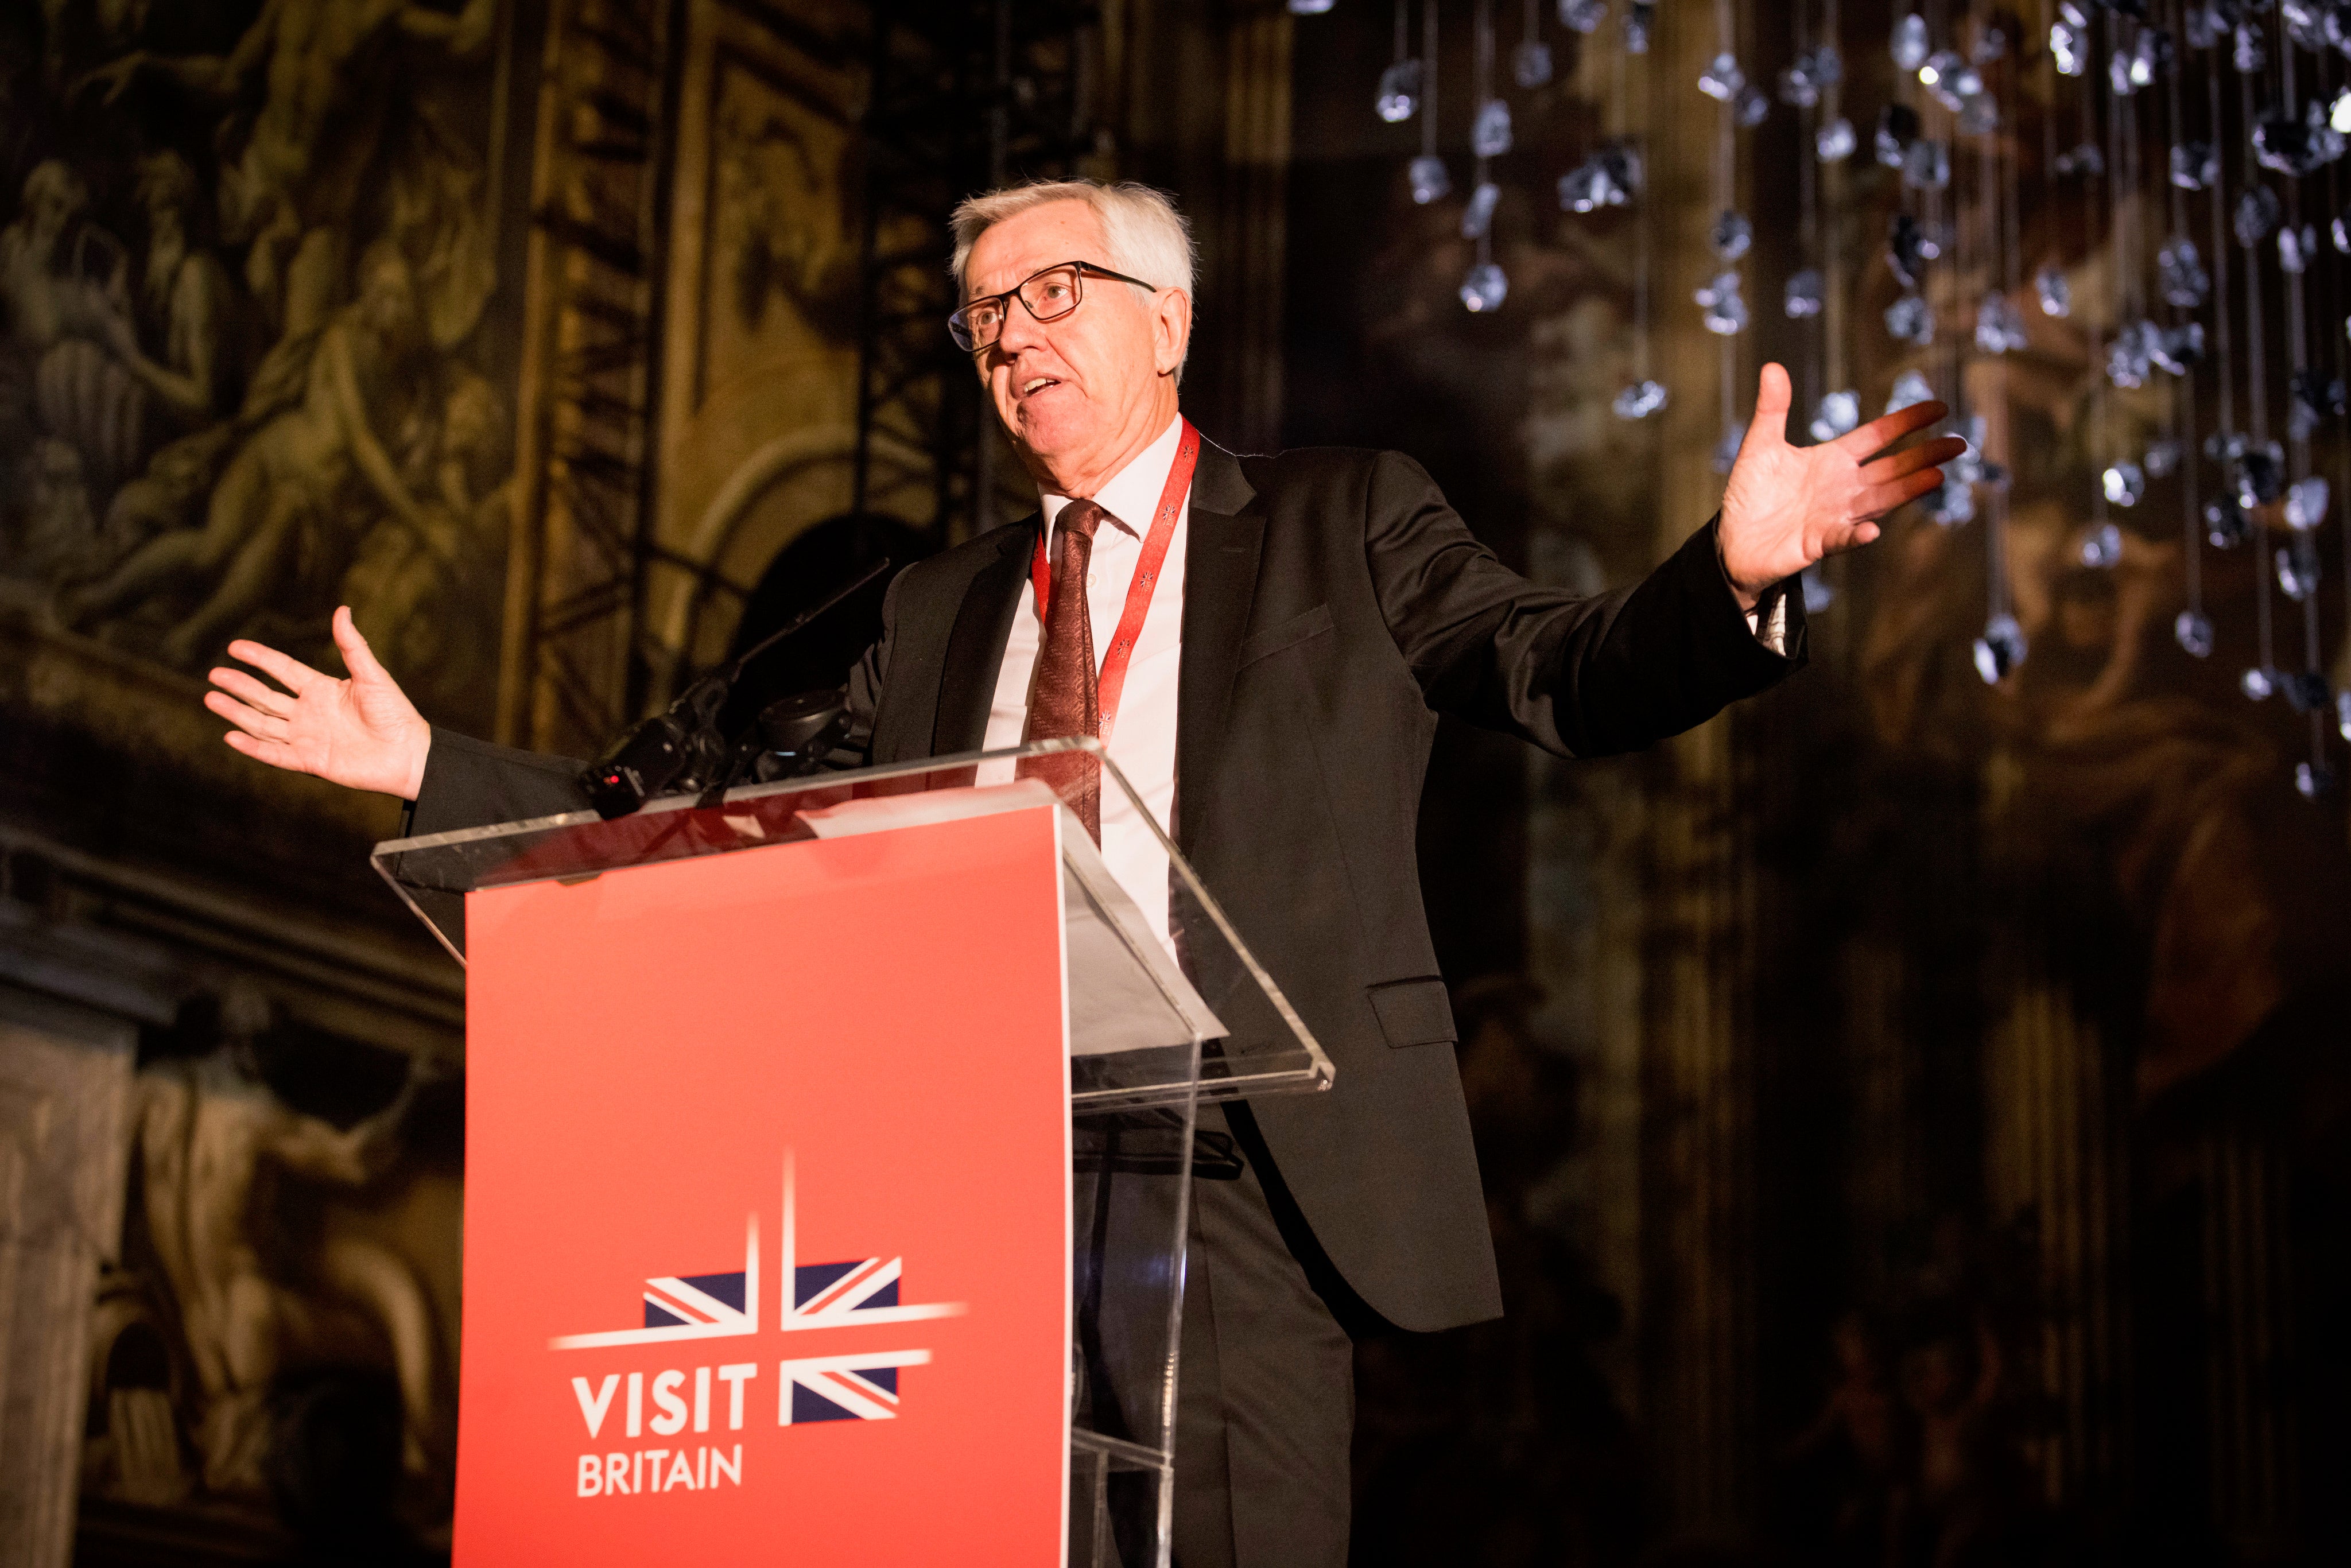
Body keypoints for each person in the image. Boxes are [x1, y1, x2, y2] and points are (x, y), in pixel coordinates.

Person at [201, 180, 1961, 1566]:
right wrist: (436, 772)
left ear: (1169, 320)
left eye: (1054, 294)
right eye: (984, 318)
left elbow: (1557, 670)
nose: (1012, 338)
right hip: (964, 1173)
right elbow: (742, 821)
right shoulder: (931, 601)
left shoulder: (1346, 521)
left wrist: (1728, 574)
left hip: (1251, 1159)